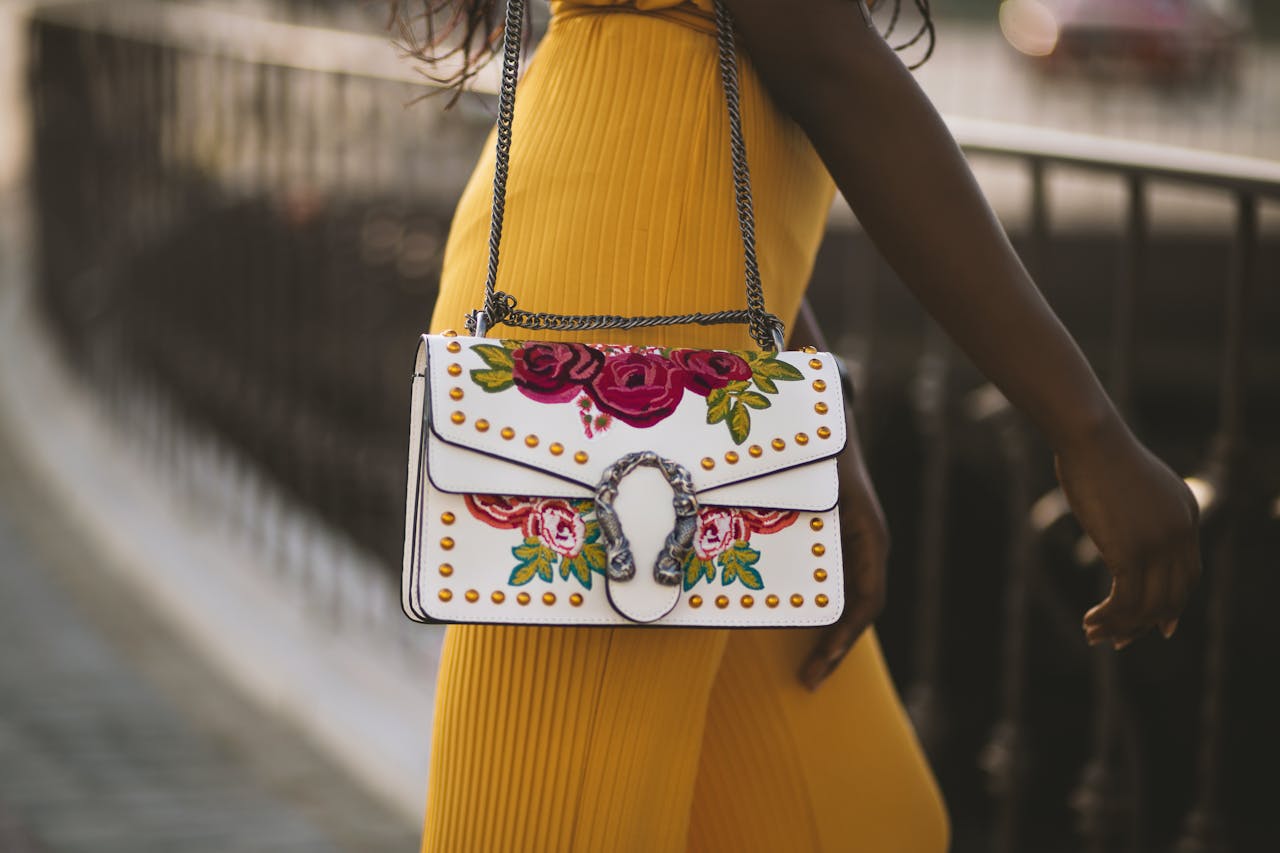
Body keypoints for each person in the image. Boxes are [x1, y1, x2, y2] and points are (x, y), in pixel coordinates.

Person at [392, 1, 1202, 850]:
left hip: (671, 319)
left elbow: (746, 107)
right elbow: (824, 61)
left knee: (862, 822)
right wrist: (1088, 429)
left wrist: (810, 423)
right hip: (614, 332)